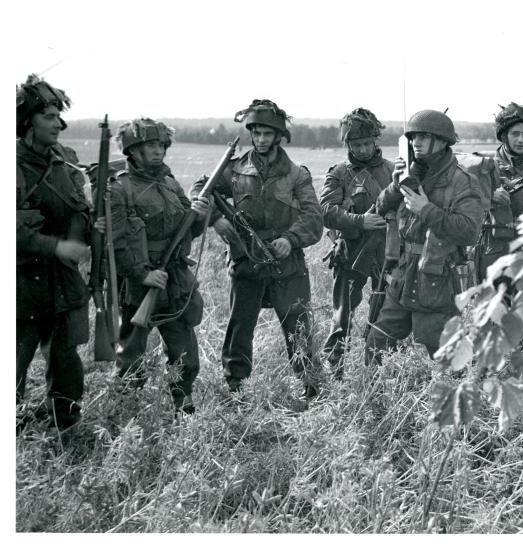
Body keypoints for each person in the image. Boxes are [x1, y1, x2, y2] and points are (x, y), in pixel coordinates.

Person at [194, 99, 323, 408]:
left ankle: (311, 388)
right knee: (241, 325)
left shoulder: (296, 174)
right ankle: (236, 388)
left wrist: (290, 240)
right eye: (257, 133)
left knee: (298, 326)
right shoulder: (236, 169)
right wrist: (216, 218)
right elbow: (201, 188)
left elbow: (314, 218)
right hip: (246, 261)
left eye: (268, 134)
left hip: (285, 263)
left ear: (279, 136)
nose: (262, 139)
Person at [364, 110, 483, 363]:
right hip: (402, 277)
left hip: (436, 281)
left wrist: (426, 210)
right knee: (376, 345)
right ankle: (372, 399)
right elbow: (378, 209)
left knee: (447, 360)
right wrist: (397, 185)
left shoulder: (462, 182)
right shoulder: (410, 173)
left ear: (441, 141)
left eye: (424, 136)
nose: (416, 142)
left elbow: (470, 232)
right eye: (414, 136)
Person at [109, 119, 210, 414]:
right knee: (131, 357)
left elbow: (187, 232)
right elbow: (116, 244)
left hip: (173, 278)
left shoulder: (171, 184)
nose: (157, 151)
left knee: (185, 354)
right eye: (150, 146)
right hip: (138, 283)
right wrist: (143, 274)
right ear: (133, 151)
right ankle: (125, 415)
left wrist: (199, 216)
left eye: (160, 145)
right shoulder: (120, 189)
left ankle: (183, 405)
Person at [16, 74, 93, 430]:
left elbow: (79, 212)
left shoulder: (67, 163)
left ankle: (65, 426)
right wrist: (55, 245)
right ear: (26, 119)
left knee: (65, 361)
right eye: (48, 116)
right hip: (19, 284)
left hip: (62, 282)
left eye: (59, 116)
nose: (58, 124)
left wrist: (95, 227)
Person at [319, 108, 393, 379]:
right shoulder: (339, 173)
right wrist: (360, 221)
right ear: (347, 145)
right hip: (350, 252)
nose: (362, 149)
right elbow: (326, 210)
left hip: (387, 252)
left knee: (383, 315)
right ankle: (334, 369)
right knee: (342, 316)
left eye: (366, 143)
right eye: (355, 144)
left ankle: (377, 370)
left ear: (376, 141)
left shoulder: (393, 171)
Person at [477, 101, 523, 280]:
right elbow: (463, 203)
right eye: (515, 134)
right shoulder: (484, 168)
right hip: (495, 254)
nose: (521, 140)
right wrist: (489, 196)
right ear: (503, 136)